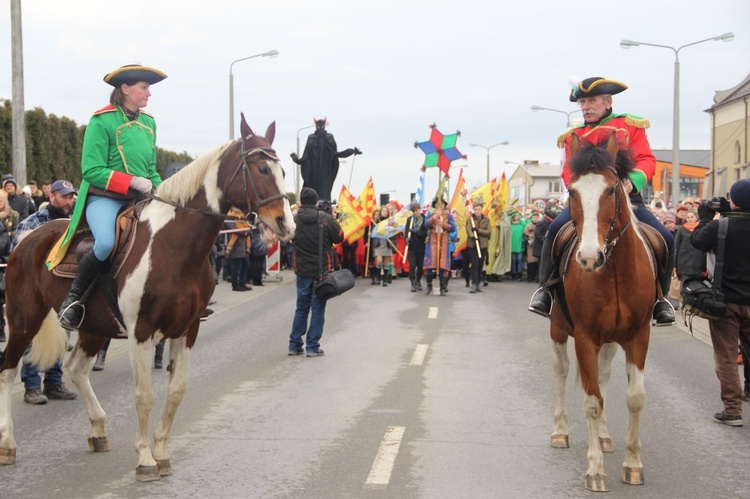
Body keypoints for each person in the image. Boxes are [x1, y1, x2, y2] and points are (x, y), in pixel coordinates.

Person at [529, 76, 676, 326]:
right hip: (587, 202)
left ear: (607, 102)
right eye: (582, 102)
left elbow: (647, 159)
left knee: (666, 237)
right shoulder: (573, 135)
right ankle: (545, 291)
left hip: (628, 199)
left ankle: (660, 299)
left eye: (591, 101)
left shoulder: (630, 125)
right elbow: (567, 170)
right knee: (554, 230)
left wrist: (633, 181)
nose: (586, 106)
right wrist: (577, 186)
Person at [49, 64, 166, 331]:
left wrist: (163, 190)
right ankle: (73, 300)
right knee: (104, 244)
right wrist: (132, 181)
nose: (149, 93)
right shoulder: (101, 120)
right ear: (125, 89)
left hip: (140, 199)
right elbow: (91, 170)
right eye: (144, 87)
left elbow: (151, 169)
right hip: (105, 197)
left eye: (148, 88)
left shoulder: (149, 123)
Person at [10, 179, 78, 404]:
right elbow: (16, 256)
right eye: (64, 197)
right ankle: (31, 387)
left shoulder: (73, 223)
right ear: (52, 197)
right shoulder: (33, 222)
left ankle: (54, 382)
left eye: (71, 197)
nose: (68, 201)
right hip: (35, 291)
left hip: (60, 289)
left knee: (62, 336)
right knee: (32, 336)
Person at [690, 180, 750, 426]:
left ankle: (732, 410)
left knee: (726, 357)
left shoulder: (721, 226)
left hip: (725, 302)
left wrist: (706, 217)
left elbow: (697, 241)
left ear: (733, 202)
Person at [288, 188, 343, 357]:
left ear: (301, 202)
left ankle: (294, 344)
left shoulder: (294, 220)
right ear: (317, 202)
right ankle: (312, 346)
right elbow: (340, 237)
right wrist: (333, 218)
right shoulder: (325, 219)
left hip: (302, 271)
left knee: (301, 308)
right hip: (321, 272)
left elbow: (289, 237)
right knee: (318, 309)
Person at [290, 119, 361, 202]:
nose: (320, 127)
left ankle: (324, 202)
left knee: (324, 190)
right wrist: (296, 159)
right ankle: (313, 201)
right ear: (316, 126)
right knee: (313, 188)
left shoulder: (329, 137)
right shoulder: (311, 137)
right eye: (318, 125)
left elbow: (335, 153)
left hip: (326, 170)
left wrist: (351, 151)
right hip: (313, 171)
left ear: (324, 125)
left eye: (322, 125)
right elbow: (306, 155)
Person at [423, 197, 457, 296]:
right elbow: (426, 225)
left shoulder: (449, 216)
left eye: (442, 203)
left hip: (444, 241)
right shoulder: (430, 215)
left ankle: (443, 286)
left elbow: (453, 227)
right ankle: (429, 285)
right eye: (438, 204)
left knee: (443, 264)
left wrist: (443, 224)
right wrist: (434, 218)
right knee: (429, 263)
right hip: (432, 240)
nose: (440, 205)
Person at [466, 202, 491, 293]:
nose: (477, 211)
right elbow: (468, 229)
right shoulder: (470, 219)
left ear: (481, 210)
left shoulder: (486, 220)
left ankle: (478, 283)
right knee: (475, 264)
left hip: (482, 246)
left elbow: (488, 232)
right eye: (476, 209)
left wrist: (478, 231)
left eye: (479, 209)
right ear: (473, 210)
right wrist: (473, 236)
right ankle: (474, 283)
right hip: (473, 245)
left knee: (480, 265)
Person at [225, 207, 252, 292]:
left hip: (244, 245)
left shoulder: (243, 215)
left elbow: (249, 225)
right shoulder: (230, 216)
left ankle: (242, 282)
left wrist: (247, 231)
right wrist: (245, 232)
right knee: (237, 266)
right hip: (236, 246)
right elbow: (232, 228)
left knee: (246, 264)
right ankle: (235, 285)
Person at [674, 209, 703, 285]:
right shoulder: (681, 229)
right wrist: (674, 264)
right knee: (684, 286)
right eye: (688, 217)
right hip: (683, 263)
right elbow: (676, 245)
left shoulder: (701, 229)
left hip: (698, 263)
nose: (690, 219)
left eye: (692, 217)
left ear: (696, 217)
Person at [405, 201, 428, 292]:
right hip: (412, 246)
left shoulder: (424, 219)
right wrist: (407, 237)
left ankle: (418, 280)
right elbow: (407, 230)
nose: (416, 212)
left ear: (419, 210)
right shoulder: (410, 219)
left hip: (421, 245)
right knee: (412, 265)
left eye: (417, 210)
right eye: (414, 211)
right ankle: (413, 282)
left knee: (420, 265)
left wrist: (415, 231)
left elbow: (425, 233)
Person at [371, 205, 396, 287]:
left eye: (386, 211)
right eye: (383, 211)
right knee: (378, 260)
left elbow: (394, 232)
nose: (385, 212)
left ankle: (385, 280)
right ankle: (378, 277)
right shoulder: (376, 221)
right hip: (379, 243)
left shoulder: (390, 221)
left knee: (386, 262)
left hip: (387, 243)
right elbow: (373, 231)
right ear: (381, 212)